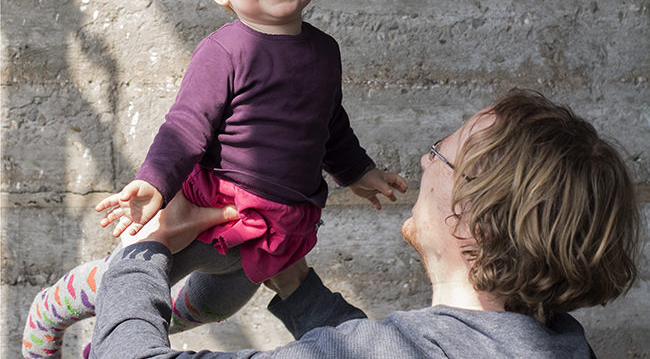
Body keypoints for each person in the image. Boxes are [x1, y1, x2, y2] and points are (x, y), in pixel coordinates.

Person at [22, 0, 406, 358]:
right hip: (215, 208)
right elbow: (185, 127)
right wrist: (154, 184)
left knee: (213, 307)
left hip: (278, 225)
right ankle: (51, 308)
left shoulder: (325, 50)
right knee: (139, 278)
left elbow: (330, 123)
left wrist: (358, 173)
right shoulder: (226, 50)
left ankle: (104, 348)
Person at [90, 89, 641, 358]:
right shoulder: (563, 345)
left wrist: (144, 252)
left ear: (478, 222)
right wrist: (296, 284)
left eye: (439, 155)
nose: (424, 163)